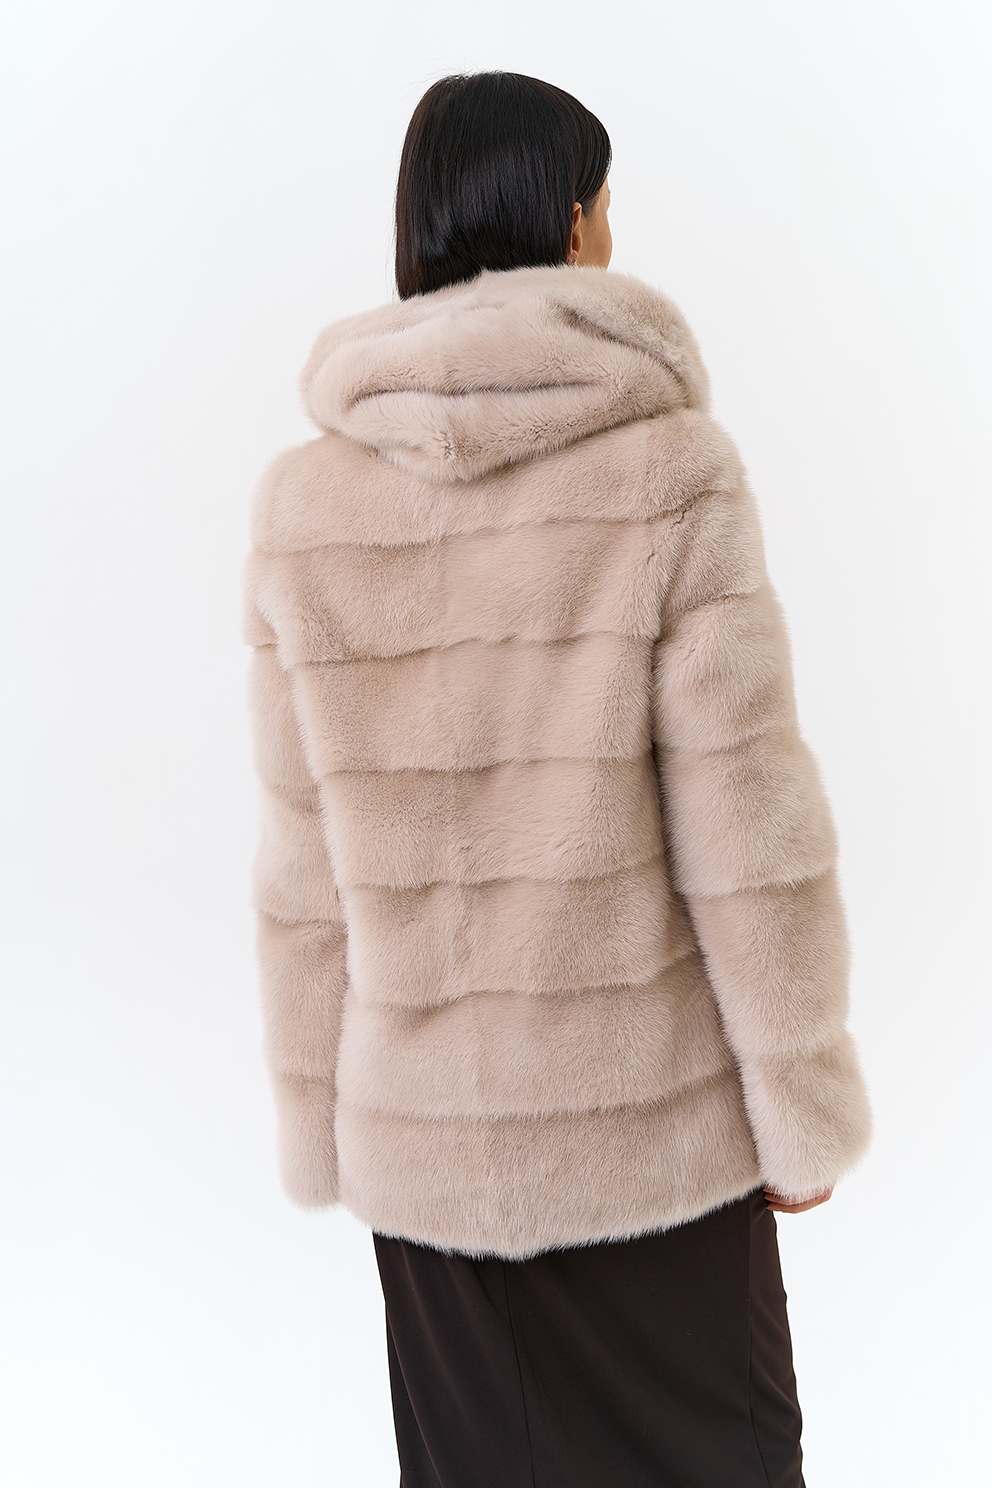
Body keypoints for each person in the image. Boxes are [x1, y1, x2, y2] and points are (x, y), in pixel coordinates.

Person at [244, 69, 871, 1488]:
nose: (611, 235)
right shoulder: (669, 473)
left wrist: (319, 1121)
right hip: (651, 1154)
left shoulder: (307, 507)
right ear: (571, 220)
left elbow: (304, 869)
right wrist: (800, 1100)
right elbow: (745, 824)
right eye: (603, 204)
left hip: (428, 1169)